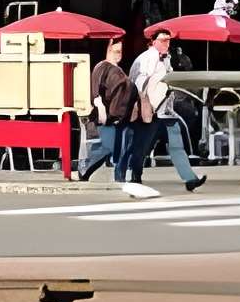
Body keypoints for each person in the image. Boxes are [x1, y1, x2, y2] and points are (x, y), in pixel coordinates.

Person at [133, 29, 204, 193]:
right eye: (163, 40)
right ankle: (134, 176)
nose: (167, 43)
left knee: (177, 146)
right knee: (143, 147)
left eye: (168, 40)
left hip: (167, 111)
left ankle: (190, 179)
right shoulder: (147, 58)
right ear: (153, 41)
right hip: (153, 111)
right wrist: (144, 104)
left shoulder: (166, 59)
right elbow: (139, 81)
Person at [75, 38, 134, 183]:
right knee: (107, 148)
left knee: (121, 147)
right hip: (106, 118)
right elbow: (95, 93)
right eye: (115, 51)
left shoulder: (119, 70)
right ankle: (85, 170)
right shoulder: (102, 67)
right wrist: (101, 110)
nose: (118, 54)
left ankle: (119, 177)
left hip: (119, 118)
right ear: (107, 50)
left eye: (120, 51)